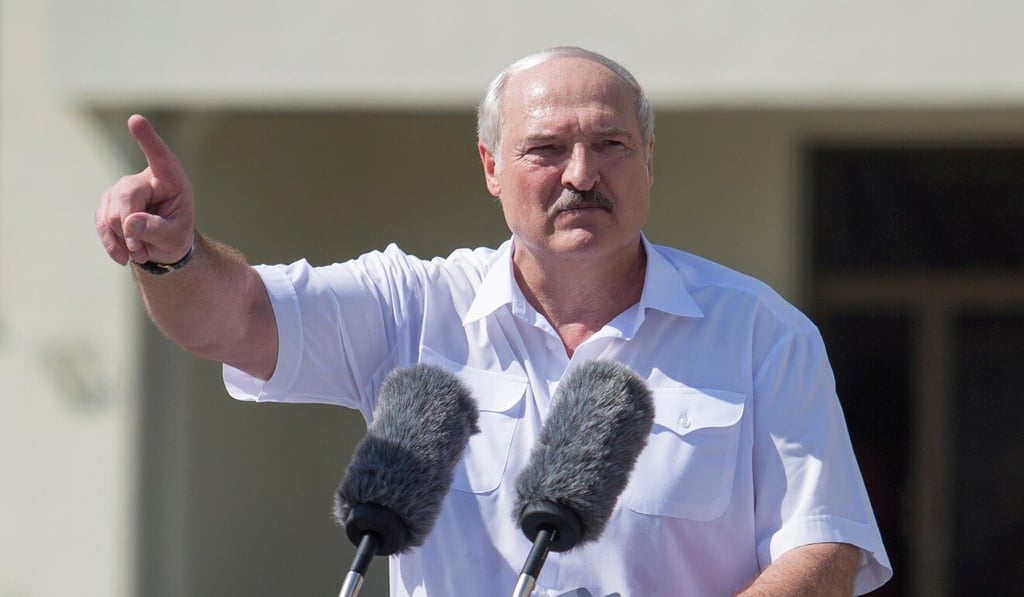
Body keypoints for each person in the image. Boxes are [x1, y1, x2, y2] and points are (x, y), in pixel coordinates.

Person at [95, 46, 892, 596]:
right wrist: (171, 255)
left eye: (611, 144)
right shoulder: (412, 307)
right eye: (547, 148)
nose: (582, 174)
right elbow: (230, 318)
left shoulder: (761, 332)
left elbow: (823, 547)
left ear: (650, 157)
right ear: (491, 166)